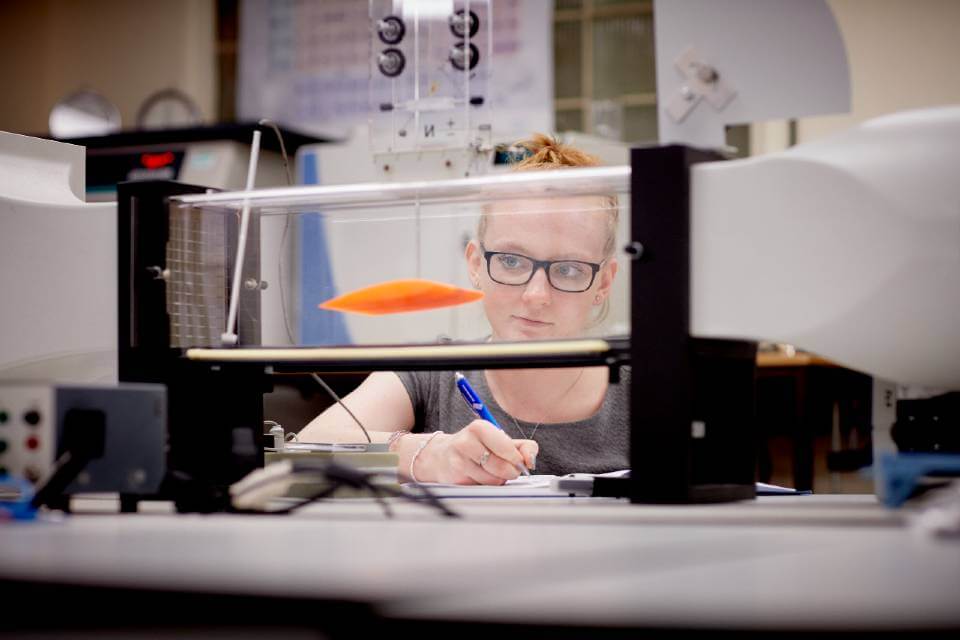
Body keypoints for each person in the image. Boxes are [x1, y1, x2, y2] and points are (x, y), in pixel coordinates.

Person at [299, 134, 630, 484]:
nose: (536, 295)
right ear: (476, 264)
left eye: (568, 270)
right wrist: (427, 456)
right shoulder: (434, 374)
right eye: (512, 262)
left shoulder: (644, 387)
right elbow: (303, 453)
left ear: (604, 283)